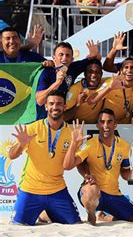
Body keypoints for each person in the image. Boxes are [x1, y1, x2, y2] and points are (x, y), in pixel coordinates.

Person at [8, 90, 81, 225]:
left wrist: (74, 144)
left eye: (59, 104)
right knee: (18, 225)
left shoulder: (72, 133)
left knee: (75, 225)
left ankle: (45, 213)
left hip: (57, 190)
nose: (55, 107)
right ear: (46, 106)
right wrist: (21, 145)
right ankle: (43, 211)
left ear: (65, 107)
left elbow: (68, 166)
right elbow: (11, 155)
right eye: (51, 103)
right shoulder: (32, 128)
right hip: (30, 190)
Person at [63, 110, 133, 225]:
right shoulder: (90, 144)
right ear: (97, 124)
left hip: (114, 194)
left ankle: (104, 217)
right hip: (94, 193)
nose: (106, 126)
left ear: (115, 125)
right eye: (102, 122)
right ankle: (91, 214)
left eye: (109, 122)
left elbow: (125, 173)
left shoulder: (124, 146)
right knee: (91, 190)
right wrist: (74, 143)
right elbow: (68, 166)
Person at [35, 41, 100, 119]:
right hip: (43, 120)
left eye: (67, 55)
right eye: (61, 55)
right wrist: (57, 82)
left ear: (72, 59)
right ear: (54, 57)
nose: (64, 58)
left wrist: (95, 54)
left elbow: (95, 61)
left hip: (62, 120)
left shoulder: (73, 68)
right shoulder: (46, 72)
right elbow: (40, 101)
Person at [100, 57, 133, 123]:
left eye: (132, 67)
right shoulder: (111, 83)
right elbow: (93, 99)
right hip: (108, 125)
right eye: (126, 67)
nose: (129, 70)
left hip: (127, 126)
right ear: (121, 70)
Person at [64, 59, 109, 124]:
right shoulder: (74, 90)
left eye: (97, 72)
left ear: (101, 74)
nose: (94, 75)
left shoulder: (104, 84)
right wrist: (78, 104)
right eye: (90, 72)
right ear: (85, 74)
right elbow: (65, 117)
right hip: (77, 127)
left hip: (95, 127)